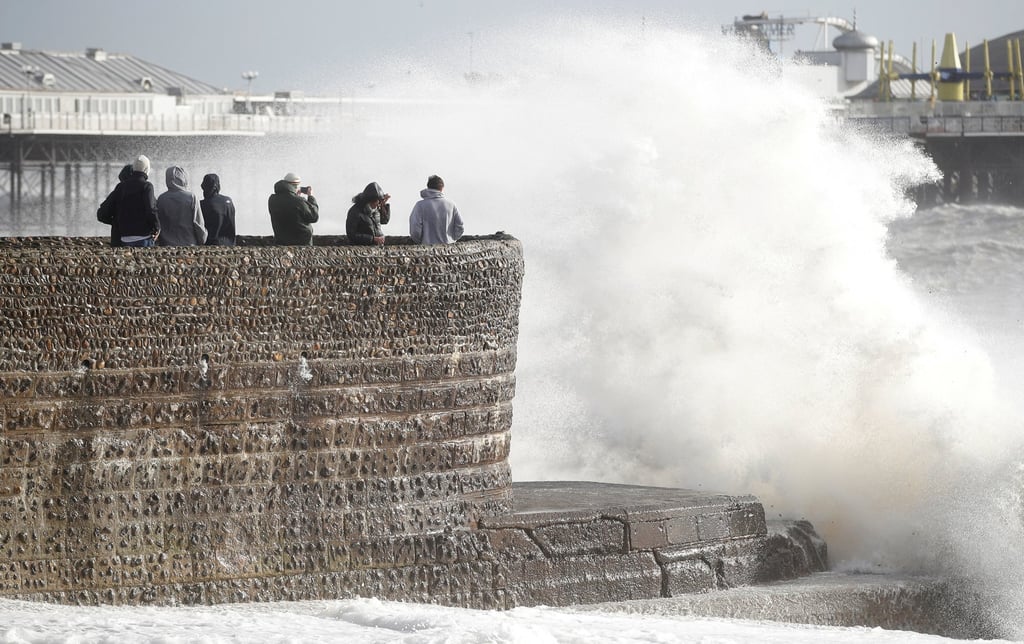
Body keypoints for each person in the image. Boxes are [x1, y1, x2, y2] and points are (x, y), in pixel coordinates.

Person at [115, 155, 160, 247]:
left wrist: (118, 222)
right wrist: (157, 227)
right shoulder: (147, 186)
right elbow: (151, 209)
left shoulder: (121, 186)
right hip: (143, 237)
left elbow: (111, 209)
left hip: (125, 237)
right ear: (147, 169)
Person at [156, 166, 207, 246]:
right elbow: (198, 223)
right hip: (188, 245)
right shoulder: (191, 197)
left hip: (166, 246)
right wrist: (202, 239)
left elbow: (158, 224)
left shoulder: (161, 199)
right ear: (184, 178)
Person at [408, 175, 464, 245]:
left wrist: (421, 241)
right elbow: (460, 226)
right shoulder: (451, 204)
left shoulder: (420, 205)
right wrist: (451, 239)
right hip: (448, 248)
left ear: (428, 187)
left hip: (427, 249)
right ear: (442, 188)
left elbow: (415, 229)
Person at [268, 172, 319, 245]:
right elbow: (314, 216)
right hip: (302, 241)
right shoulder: (299, 201)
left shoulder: (272, 199)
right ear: (295, 185)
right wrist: (311, 197)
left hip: (281, 241)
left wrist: (295, 196)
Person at [96, 164, 132, 247]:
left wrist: (116, 222)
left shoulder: (118, 191)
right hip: (142, 240)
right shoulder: (145, 190)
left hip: (119, 240)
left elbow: (101, 214)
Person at [346, 181, 390, 246]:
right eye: (377, 201)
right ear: (370, 200)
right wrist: (372, 239)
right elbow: (351, 235)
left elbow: (384, 220)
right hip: (362, 248)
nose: (378, 204)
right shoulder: (355, 212)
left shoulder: (375, 210)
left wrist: (383, 206)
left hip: (378, 247)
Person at [200, 173, 236, 246]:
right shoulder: (228, 201)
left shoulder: (202, 204)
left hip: (210, 243)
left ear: (204, 187)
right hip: (230, 243)